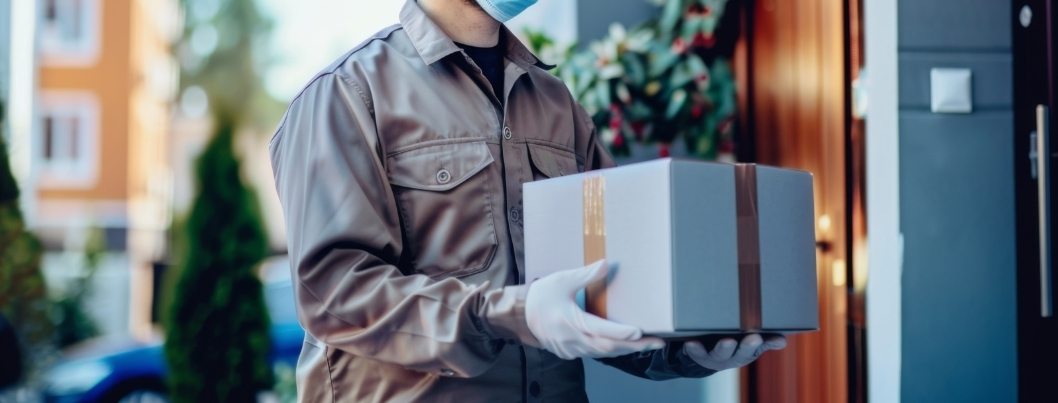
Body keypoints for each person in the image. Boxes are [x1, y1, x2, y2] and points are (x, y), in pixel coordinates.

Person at [269, 0, 787, 401]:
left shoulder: (556, 104)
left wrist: (690, 350)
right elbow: (336, 294)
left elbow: (612, 293)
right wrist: (516, 315)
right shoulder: (346, 95)